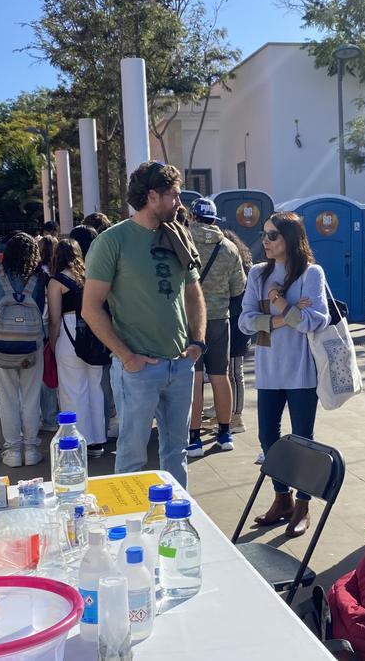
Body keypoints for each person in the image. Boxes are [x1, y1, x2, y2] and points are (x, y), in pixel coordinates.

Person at [82, 162, 206, 488]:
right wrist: (127, 357)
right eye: (174, 196)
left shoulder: (178, 236)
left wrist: (198, 342)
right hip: (137, 369)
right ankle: (129, 526)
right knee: (132, 454)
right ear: (152, 196)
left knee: (176, 452)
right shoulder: (112, 242)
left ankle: (176, 521)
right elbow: (90, 308)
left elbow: (193, 293)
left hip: (180, 365)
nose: (179, 203)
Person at [239, 212, 330, 537]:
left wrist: (276, 302)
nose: (266, 241)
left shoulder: (311, 274)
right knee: (268, 438)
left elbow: (314, 321)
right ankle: (283, 498)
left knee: (304, 441)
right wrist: (286, 314)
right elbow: (245, 321)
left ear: (290, 238)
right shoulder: (257, 274)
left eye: (273, 235)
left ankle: (303, 504)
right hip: (268, 370)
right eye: (264, 234)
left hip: (302, 371)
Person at [186, 198, 247, 456]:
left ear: (193, 216)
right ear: (215, 219)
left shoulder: (183, 239)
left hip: (189, 318)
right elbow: (239, 288)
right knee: (221, 377)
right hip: (220, 319)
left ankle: (194, 438)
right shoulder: (230, 248)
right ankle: (224, 433)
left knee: (195, 378)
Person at [0, 232, 48, 467]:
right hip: (32, 345)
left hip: (2, 345)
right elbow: (40, 309)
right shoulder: (39, 277)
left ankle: (12, 451)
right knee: (31, 397)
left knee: (7, 396)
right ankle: (31, 448)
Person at [47, 237, 108, 456]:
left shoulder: (56, 281)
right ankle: (98, 439)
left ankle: (79, 440)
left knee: (73, 390)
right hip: (96, 333)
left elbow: (54, 318)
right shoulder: (89, 275)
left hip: (69, 333)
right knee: (95, 388)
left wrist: (52, 343)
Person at [223, 229, 254, 439]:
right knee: (227, 372)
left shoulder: (245, 271)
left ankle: (237, 416)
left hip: (237, 324)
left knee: (235, 371)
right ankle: (227, 411)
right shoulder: (246, 267)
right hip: (233, 322)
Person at [37, 234, 60, 427]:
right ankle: (54, 414)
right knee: (54, 372)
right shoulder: (55, 273)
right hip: (56, 323)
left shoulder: (37, 274)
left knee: (47, 374)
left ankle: (49, 415)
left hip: (43, 324)